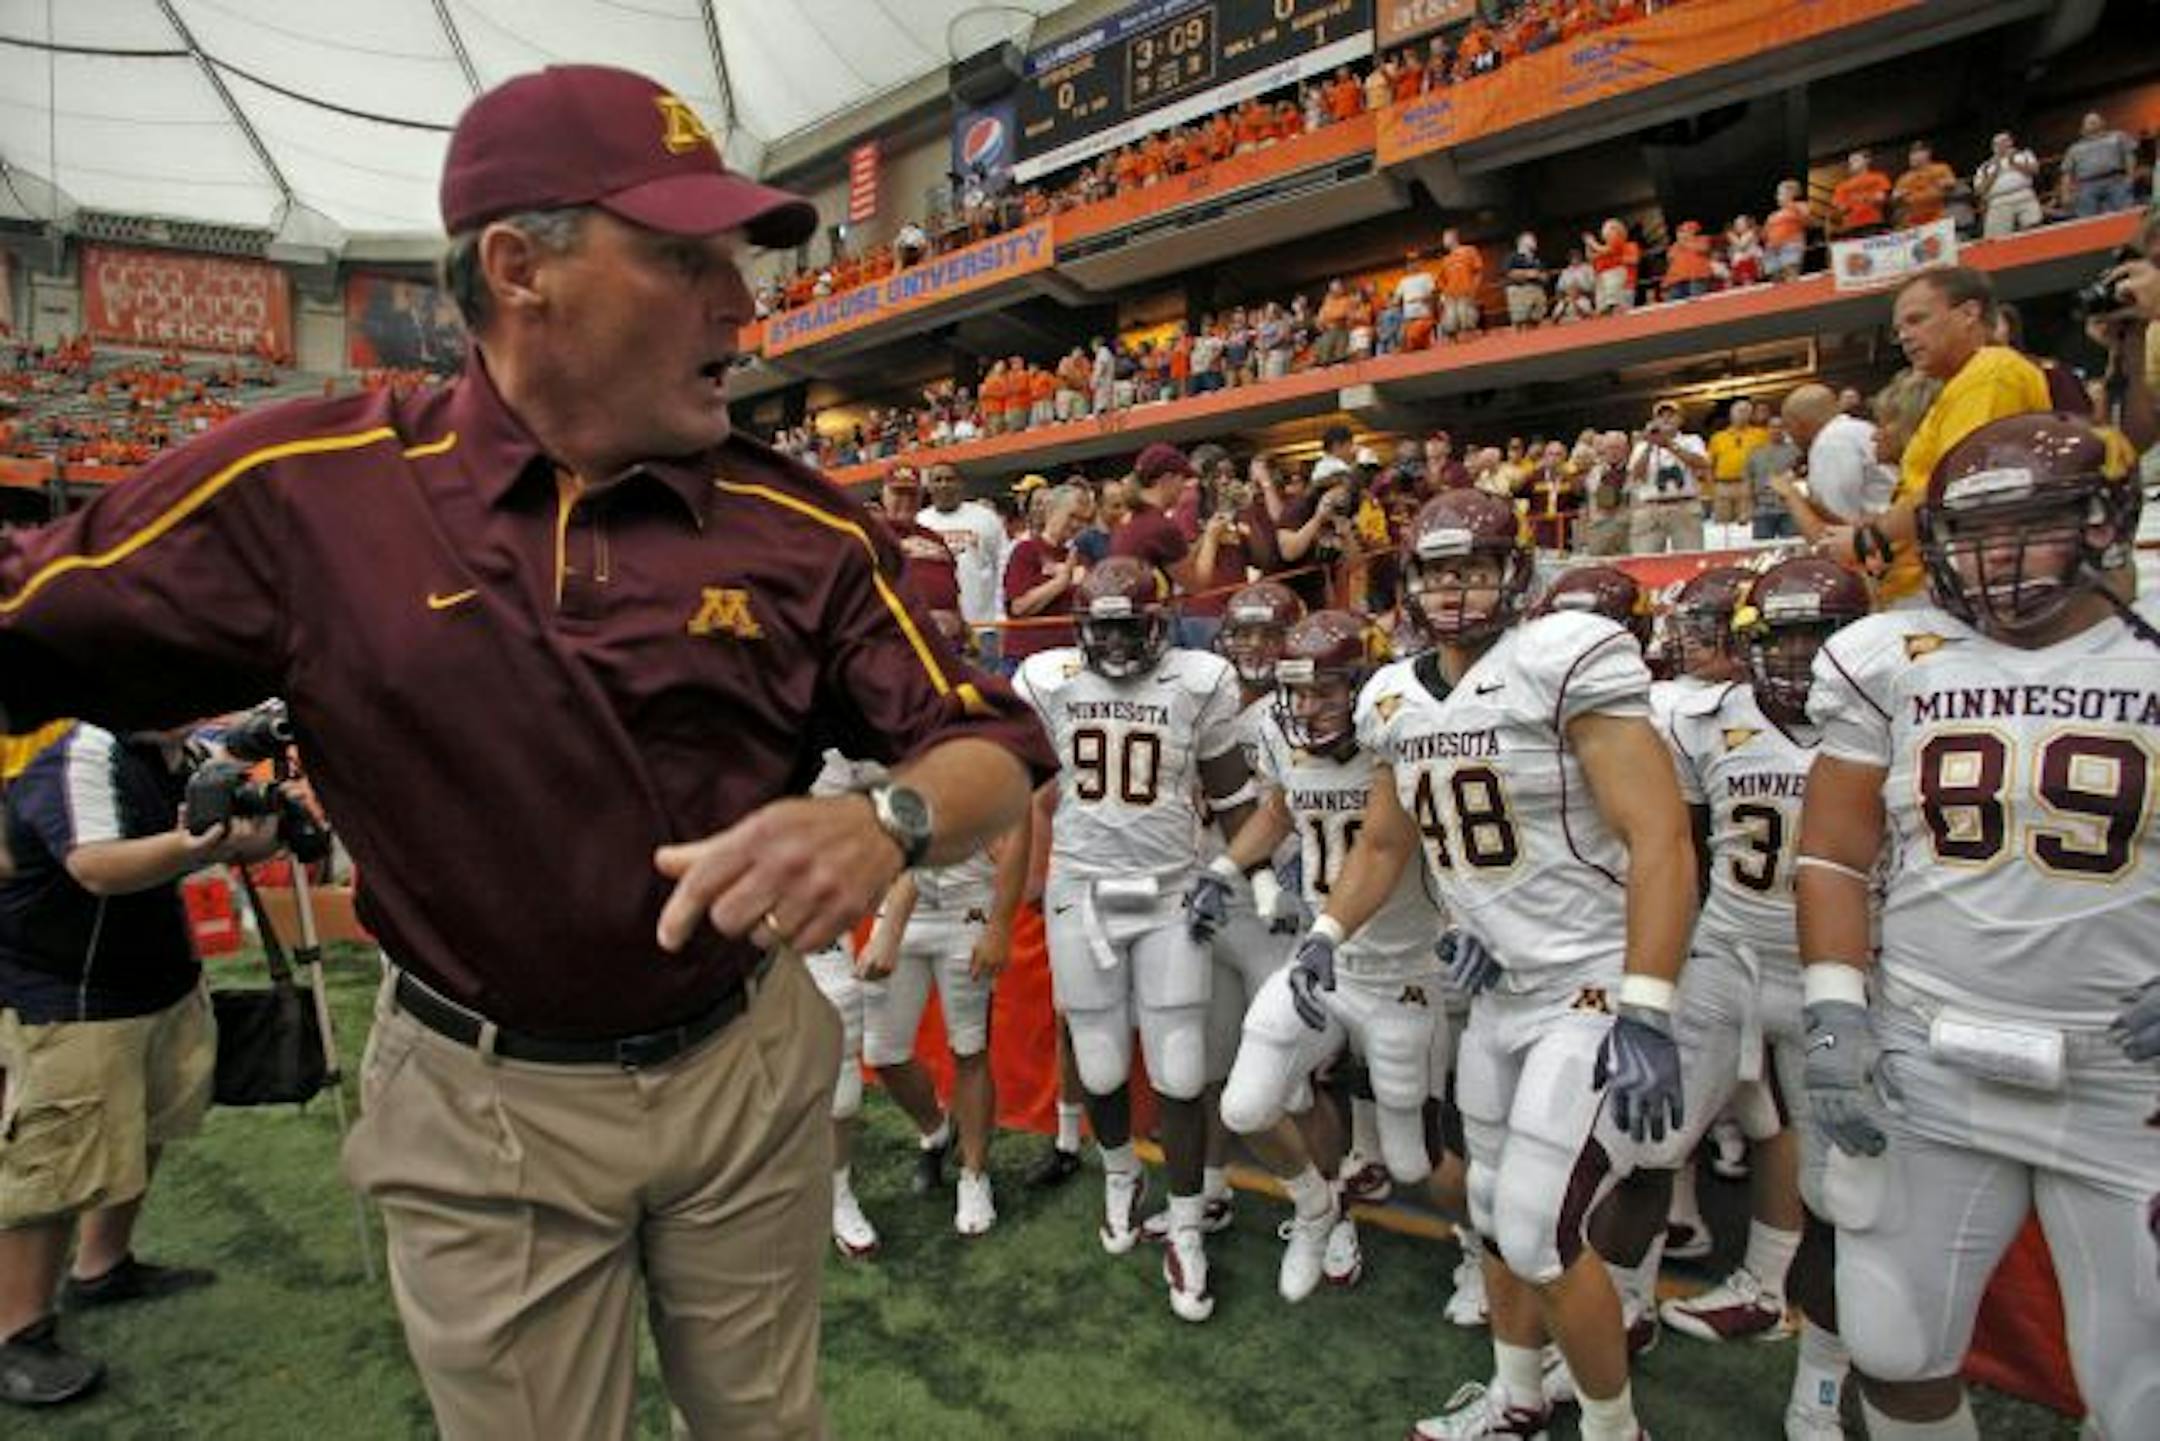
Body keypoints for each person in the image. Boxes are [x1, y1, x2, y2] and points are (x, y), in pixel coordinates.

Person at [0, 66, 1053, 1440]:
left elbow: (991, 741)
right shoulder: (307, 490)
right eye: (686, 258)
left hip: (741, 1063)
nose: (742, 302)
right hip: (475, 1088)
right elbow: (28, 622)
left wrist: (885, 825)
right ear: (519, 268)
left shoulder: (798, 524)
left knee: (769, 1426)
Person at [1797, 413, 2160, 1440]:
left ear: (2103, 523)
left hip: (2130, 1082)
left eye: (2033, 527)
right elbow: (1832, 853)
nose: (1998, 560)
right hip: (1930, 1052)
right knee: (1893, 1343)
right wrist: (1834, 1009)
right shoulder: (1894, 654)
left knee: (2141, 1395)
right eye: (1974, 534)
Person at [1341, 491, 1693, 1441]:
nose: (1453, 590)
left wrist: (1648, 1004)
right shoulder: (1391, 695)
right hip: (1499, 991)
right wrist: (1322, 936)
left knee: (1539, 1228)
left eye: (1471, 568)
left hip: (1590, 981)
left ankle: (1617, 1429)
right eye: (1435, 571)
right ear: (1408, 583)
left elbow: (1658, 833)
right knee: (1495, 1209)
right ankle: (1518, 1399)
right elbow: (1383, 847)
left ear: (1514, 573)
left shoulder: (1561, 657)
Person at [1654, 557, 1871, 1441]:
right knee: (1651, 1136)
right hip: (1728, 953)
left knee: (1842, 1184)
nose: (1795, 654)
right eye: (1778, 634)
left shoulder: (1888, 708)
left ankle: (1816, 1379)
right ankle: (1631, 1304)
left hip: (1847, 971)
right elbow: (1688, 847)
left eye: (1814, 634)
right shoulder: (1705, 719)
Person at [0, 722, 279, 1405]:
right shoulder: (85, 751)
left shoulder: (175, 754)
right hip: (71, 991)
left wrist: (265, 832)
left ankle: (103, 1265)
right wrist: (199, 845)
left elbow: (213, 832)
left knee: (145, 1127)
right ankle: (15, 1332)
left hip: (153, 978)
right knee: (54, 1162)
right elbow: (95, 864)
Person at [1012, 559, 1254, 1323]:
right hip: (1082, 889)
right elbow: (1020, 784)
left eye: (1129, 623)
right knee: (1103, 1058)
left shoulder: (1200, 678)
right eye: (1102, 625)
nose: (1115, 641)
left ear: (1161, 619)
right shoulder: (1047, 677)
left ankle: (1186, 1227)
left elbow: (1233, 793)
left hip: (1168, 889)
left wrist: (1265, 880)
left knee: (1180, 1067)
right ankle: (1121, 1175)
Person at [1208, 610, 1445, 1301]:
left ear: (1362, 684)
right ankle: (1317, 1207)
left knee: (1413, 1158)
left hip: (1402, 965)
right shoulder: (1283, 732)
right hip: (1324, 963)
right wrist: (1222, 870)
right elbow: (1280, 811)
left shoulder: (1395, 739)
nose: (1308, 707)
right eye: (1300, 691)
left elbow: (1385, 848)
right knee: (1247, 1105)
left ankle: (1477, 1251)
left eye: (1327, 691)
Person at [1823, 266, 2049, 606]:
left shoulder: (1990, 373)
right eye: (1899, 329)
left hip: (1980, 574)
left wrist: (1868, 538)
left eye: (1916, 320)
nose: (1905, 336)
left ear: (1969, 314)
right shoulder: (1964, 383)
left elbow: (1958, 487)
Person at [1626, 400, 1710, 553]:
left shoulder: (1692, 440)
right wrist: (1650, 445)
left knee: (1689, 557)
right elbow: (1636, 474)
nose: (1666, 419)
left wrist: (1670, 445)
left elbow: (1701, 463)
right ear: (1654, 420)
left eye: (1671, 415)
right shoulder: (1642, 446)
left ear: (1680, 420)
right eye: (1661, 416)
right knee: (1646, 559)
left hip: (1684, 507)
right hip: (1651, 509)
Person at [1706, 398, 1768, 535]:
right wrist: (1712, 489)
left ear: (1751, 415)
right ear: (1731, 414)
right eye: (1739, 411)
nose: (1743, 414)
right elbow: (1709, 465)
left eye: (1747, 411)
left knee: (1746, 525)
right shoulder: (1718, 437)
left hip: (1748, 484)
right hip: (1722, 485)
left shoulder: (1761, 435)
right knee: (1722, 527)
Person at [2060, 110, 2139, 218]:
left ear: (2103, 123)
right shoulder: (2074, 149)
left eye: (2095, 120)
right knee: (2087, 220)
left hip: (2116, 181)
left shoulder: (2118, 136)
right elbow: (2066, 173)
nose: (2093, 123)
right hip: (2087, 186)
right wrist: (2066, 194)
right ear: (2083, 128)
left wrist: (2130, 177)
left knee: (2126, 215)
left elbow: (2129, 156)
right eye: (2089, 122)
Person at [1974, 130, 2042, 237]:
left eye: (2005, 141)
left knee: (2033, 229)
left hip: (2024, 196)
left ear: (2011, 142)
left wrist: (2014, 162)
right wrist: (1995, 171)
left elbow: (2035, 170)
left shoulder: (2024, 154)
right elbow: (1979, 190)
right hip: (1999, 202)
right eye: (1998, 143)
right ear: (1993, 147)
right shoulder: (1985, 166)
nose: (2002, 145)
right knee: (1997, 236)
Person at [1745, 412, 1801, 540]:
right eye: (1773, 427)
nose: (1776, 430)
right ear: (1767, 429)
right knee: (1761, 549)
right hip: (1763, 509)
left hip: (1790, 509)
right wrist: (1747, 506)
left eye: (1780, 427)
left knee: (1793, 548)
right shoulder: (1755, 453)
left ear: (1785, 430)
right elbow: (1748, 480)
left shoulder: (1796, 452)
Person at [1892, 141, 1957, 229]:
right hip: (1913, 220)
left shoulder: (1940, 168)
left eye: (1917, 153)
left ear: (1927, 153)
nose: (1912, 157)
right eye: (1911, 154)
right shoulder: (1904, 177)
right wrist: (1897, 196)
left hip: (1937, 215)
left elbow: (1952, 182)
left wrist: (1945, 183)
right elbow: (1894, 197)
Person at [1829, 150, 1892, 239]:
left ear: (1867, 160)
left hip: (1873, 224)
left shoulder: (1879, 177)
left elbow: (1881, 198)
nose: (1851, 163)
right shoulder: (1841, 186)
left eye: (1855, 160)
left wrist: (1861, 198)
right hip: (1851, 228)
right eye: (1849, 162)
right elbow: (1839, 207)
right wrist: (1842, 209)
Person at [1503, 233, 1550, 329]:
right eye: (1532, 240)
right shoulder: (1513, 257)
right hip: (1520, 290)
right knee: (1520, 319)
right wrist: (1528, 274)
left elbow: (1544, 274)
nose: (1535, 242)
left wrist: (1542, 276)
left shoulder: (1536, 259)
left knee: (1536, 318)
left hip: (1537, 289)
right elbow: (1509, 273)